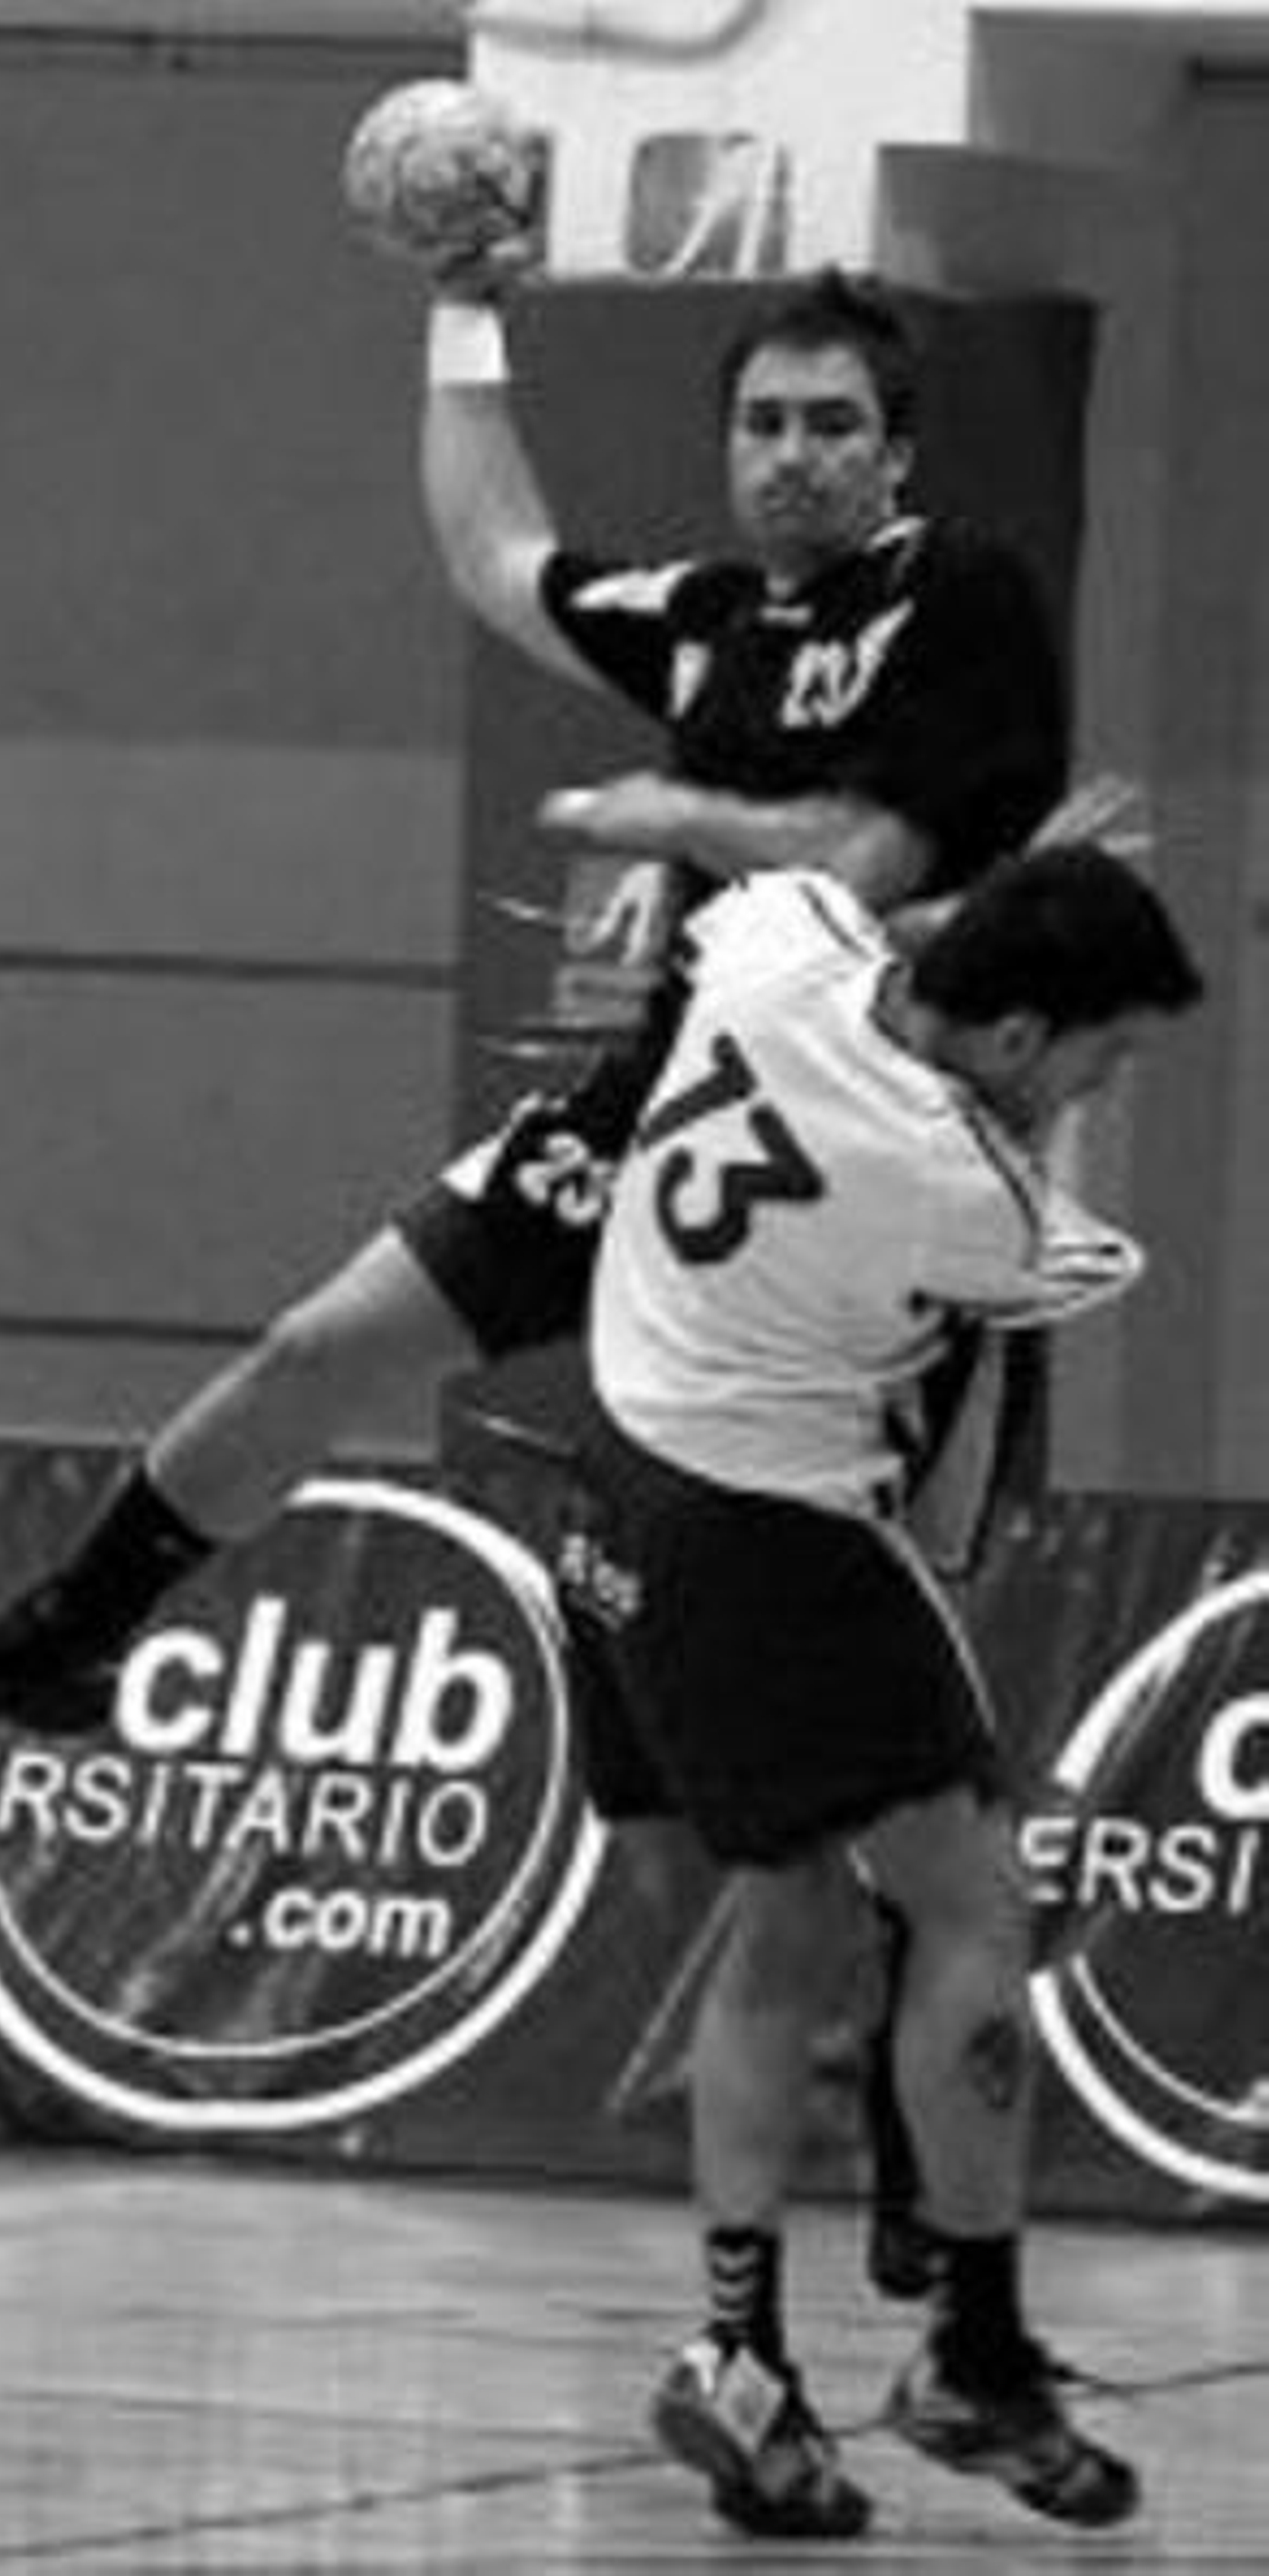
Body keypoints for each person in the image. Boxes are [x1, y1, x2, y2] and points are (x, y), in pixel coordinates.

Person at [0, 269, 1064, 2287]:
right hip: (664, 1112)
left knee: (884, 1628)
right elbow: (495, 556)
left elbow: (868, 862)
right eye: (763, 423)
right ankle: (65, 1639)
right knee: (320, 1344)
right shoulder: (711, 619)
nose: (792, 458)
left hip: (860, 1168)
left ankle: (935, 2096)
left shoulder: (963, 599)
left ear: (897, 451)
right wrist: (464, 308)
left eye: (833, 424)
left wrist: (674, 816)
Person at [556, 837, 1203, 2539]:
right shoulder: (952, 1180)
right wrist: (1030, 1104)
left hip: (613, 1478)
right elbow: (1084, 1262)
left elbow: (778, 886)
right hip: (767, 1529)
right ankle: (973, 2354)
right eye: (1101, 1058)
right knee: (975, 1903)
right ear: (1018, 1039)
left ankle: (743, 2357)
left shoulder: (782, 955)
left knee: (788, 1909)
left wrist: (966, 918)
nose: (1099, 1089)